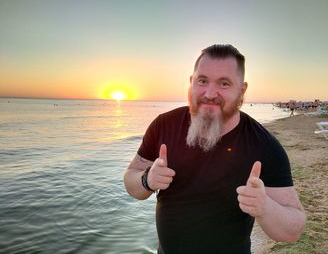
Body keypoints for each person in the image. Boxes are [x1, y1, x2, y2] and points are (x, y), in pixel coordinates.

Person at [124, 44, 306, 254]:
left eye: (224, 83)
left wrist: (265, 207)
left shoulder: (264, 146)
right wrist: (147, 179)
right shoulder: (163, 125)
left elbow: (293, 230)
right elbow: (131, 181)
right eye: (202, 81)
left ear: (242, 90)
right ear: (191, 83)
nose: (210, 93)